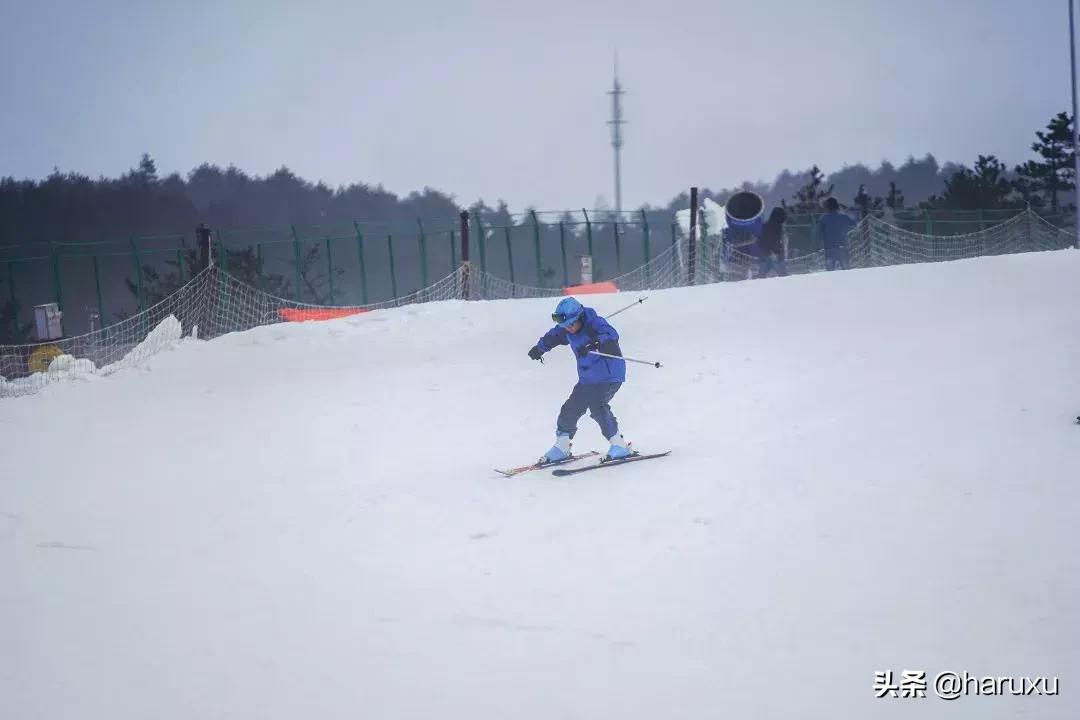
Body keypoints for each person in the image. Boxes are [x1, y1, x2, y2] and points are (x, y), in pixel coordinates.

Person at [527, 297, 632, 463]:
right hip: (588, 379)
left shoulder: (595, 324)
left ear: (580, 317)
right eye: (565, 326)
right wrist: (539, 349)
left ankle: (619, 445)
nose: (568, 328)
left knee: (597, 405)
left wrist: (594, 343)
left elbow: (611, 335)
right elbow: (553, 336)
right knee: (570, 408)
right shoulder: (567, 329)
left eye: (571, 324)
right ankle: (562, 446)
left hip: (609, 375)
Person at [815, 197, 857, 270]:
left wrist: (818, 246)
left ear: (827, 207)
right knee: (846, 269)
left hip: (829, 248)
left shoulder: (823, 218)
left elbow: (818, 234)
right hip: (842, 246)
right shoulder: (843, 216)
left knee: (830, 271)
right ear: (837, 206)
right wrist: (847, 211)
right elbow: (854, 224)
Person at [755, 207, 789, 278]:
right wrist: (773, 251)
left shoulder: (764, 226)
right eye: (784, 215)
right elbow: (776, 240)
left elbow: (759, 241)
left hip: (764, 254)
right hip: (775, 255)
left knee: (762, 276)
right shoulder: (778, 227)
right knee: (783, 276)